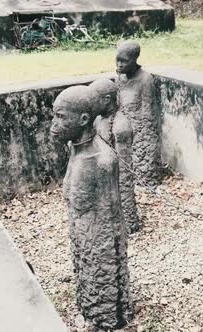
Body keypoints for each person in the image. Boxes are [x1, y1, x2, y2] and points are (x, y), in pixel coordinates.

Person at [50, 85, 132, 329]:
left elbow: (112, 227)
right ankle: (90, 306)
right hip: (83, 243)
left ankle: (106, 316)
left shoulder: (102, 160)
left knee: (100, 292)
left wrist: (103, 282)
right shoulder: (76, 148)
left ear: (83, 119)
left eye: (60, 117)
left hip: (98, 249)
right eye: (54, 115)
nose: (54, 124)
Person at [91, 78, 141, 233]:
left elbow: (125, 172)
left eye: (93, 100)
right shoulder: (98, 120)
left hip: (116, 175)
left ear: (106, 100)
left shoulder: (120, 126)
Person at [116, 40, 162, 186]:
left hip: (139, 131)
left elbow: (148, 115)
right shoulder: (119, 78)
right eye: (117, 60)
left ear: (134, 59)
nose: (119, 65)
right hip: (122, 128)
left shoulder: (145, 80)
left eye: (124, 61)